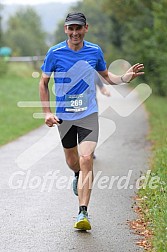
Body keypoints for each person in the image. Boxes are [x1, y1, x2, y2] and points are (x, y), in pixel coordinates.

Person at [39, 12, 144, 231]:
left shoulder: (94, 51)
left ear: (86, 28)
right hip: (64, 116)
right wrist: (47, 112)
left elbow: (106, 76)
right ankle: (77, 175)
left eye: (78, 28)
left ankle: (82, 212)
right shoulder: (55, 53)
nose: (75, 33)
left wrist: (124, 78)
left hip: (88, 113)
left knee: (86, 158)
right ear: (66, 30)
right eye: (71, 28)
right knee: (72, 161)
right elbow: (43, 83)